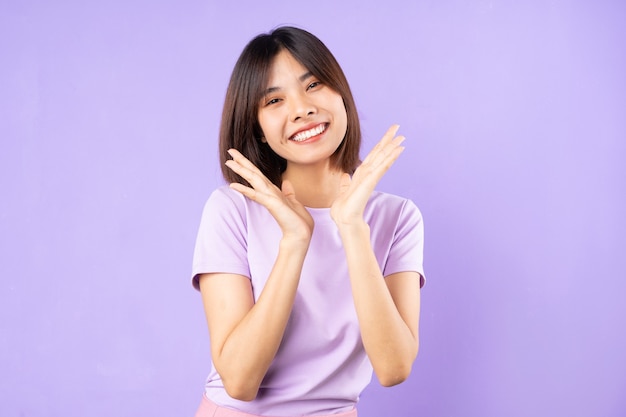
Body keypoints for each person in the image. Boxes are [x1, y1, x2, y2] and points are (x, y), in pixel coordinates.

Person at [191, 26, 425, 417]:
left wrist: (351, 227)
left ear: (341, 94)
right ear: (259, 131)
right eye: (275, 100)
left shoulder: (397, 217)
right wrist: (295, 240)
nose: (301, 108)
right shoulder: (231, 210)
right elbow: (239, 380)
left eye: (313, 84)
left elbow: (394, 367)